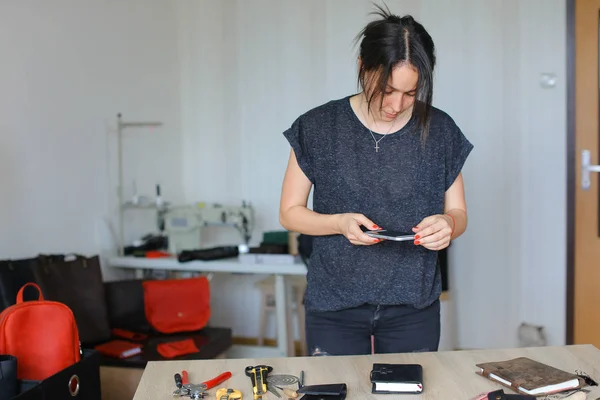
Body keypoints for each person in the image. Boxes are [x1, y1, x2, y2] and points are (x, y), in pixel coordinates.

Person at [279, 5, 473, 356]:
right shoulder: (318, 127)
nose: (397, 104)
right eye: (386, 89)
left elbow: (459, 212)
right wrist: (339, 223)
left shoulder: (440, 129)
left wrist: (448, 223)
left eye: (411, 93)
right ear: (362, 67)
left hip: (414, 305)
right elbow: (290, 213)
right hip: (334, 303)